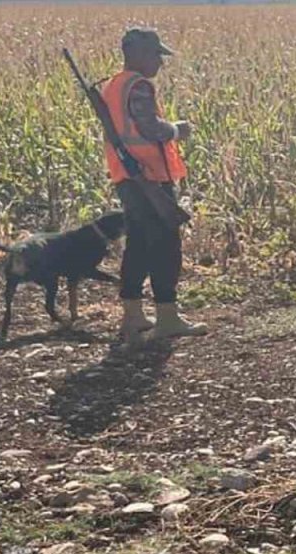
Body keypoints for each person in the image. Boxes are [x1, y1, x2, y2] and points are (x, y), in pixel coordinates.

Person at [103, 28, 206, 347]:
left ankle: (133, 314)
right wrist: (176, 129)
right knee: (165, 246)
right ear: (136, 54)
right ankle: (167, 317)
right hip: (149, 177)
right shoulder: (139, 86)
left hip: (128, 177)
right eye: (155, 55)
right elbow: (149, 127)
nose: (160, 63)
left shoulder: (113, 85)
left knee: (139, 243)